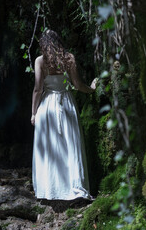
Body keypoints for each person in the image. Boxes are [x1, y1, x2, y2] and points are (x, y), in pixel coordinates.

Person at [31, 29, 97, 200]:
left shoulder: (40, 61)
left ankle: (49, 190)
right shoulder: (69, 58)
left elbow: (38, 89)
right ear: (59, 41)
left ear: (43, 43)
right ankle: (74, 187)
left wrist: (33, 113)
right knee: (70, 144)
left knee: (50, 147)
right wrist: (91, 89)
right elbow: (77, 85)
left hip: (47, 107)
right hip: (66, 102)